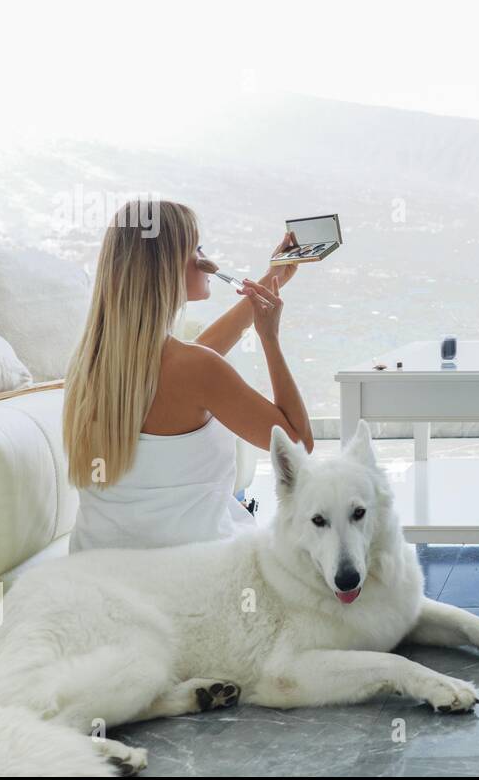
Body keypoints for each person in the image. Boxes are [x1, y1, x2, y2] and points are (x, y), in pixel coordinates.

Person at [63, 199, 314, 551]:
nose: (207, 260)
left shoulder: (92, 362)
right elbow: (299, 443)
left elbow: (193, 360)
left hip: (98, 565)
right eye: (196, 248)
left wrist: (273, 279)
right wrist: (269, 337)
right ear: (166, 266)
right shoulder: (194, 369)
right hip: (190, 572)